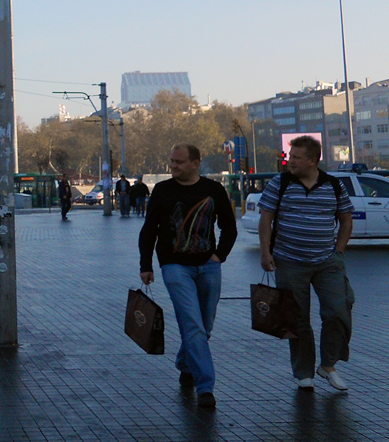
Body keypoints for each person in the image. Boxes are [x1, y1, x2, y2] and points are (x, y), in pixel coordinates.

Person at [139, 143, 237, 409]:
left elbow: (229, 226)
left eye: (179, 162)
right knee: (192, 324)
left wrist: (219, 256)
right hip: (174, 266)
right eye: (172, 162)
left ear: (196, 163)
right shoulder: (162, 190)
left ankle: (185, 362)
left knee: (204, 326)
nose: (173, 167)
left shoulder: (213, 190)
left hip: (208, 265)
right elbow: (149, 229)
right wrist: (146, 264)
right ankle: (205, 387)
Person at [258, 134, 355, 392]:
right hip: (289, 261)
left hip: (327, 262)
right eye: (291, 157)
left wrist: (339, 251)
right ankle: (304, 372)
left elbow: (346, 219)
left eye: (297, 158)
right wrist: (266, 253)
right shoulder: (279, 184)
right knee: (297, 318)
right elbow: (265, 219)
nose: (291, 162)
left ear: (313, 161)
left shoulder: (333, 185)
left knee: (338, 311)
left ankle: (328, 365)